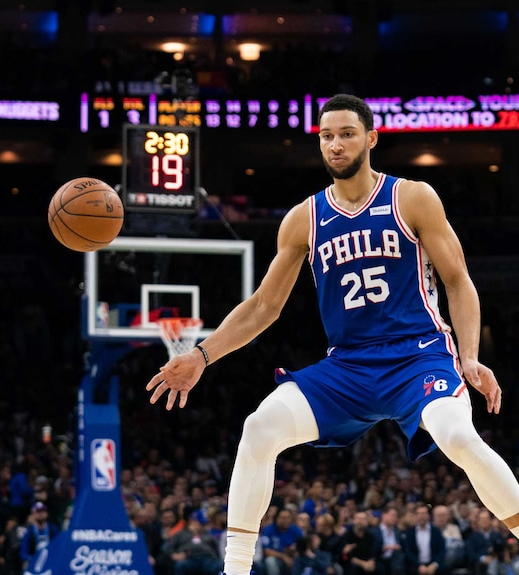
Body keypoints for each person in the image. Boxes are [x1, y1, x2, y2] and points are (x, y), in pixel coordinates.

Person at [145, 93, 519, 575]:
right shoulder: (305, 218)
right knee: (259, 429)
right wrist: (201, 355)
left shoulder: (413, 197)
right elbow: (264, 306)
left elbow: (458, 281)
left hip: (418, 355)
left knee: (457, 436)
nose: (336, 144)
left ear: (371, 138)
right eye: (326, 136)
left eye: (346, 134)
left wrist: (468, 357)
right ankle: (235, 570)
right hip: (348, 365)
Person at [401, 505, 444, 575]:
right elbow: (408, 551)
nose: (422, 516)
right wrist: (419, 565)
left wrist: (434, 564)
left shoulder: (436, 531)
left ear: (428, 515)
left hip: (433, 565)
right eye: (419, 514)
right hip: (415, 566)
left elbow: (441, 549)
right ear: (415, 516)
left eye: (424, 513)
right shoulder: (409, 532)